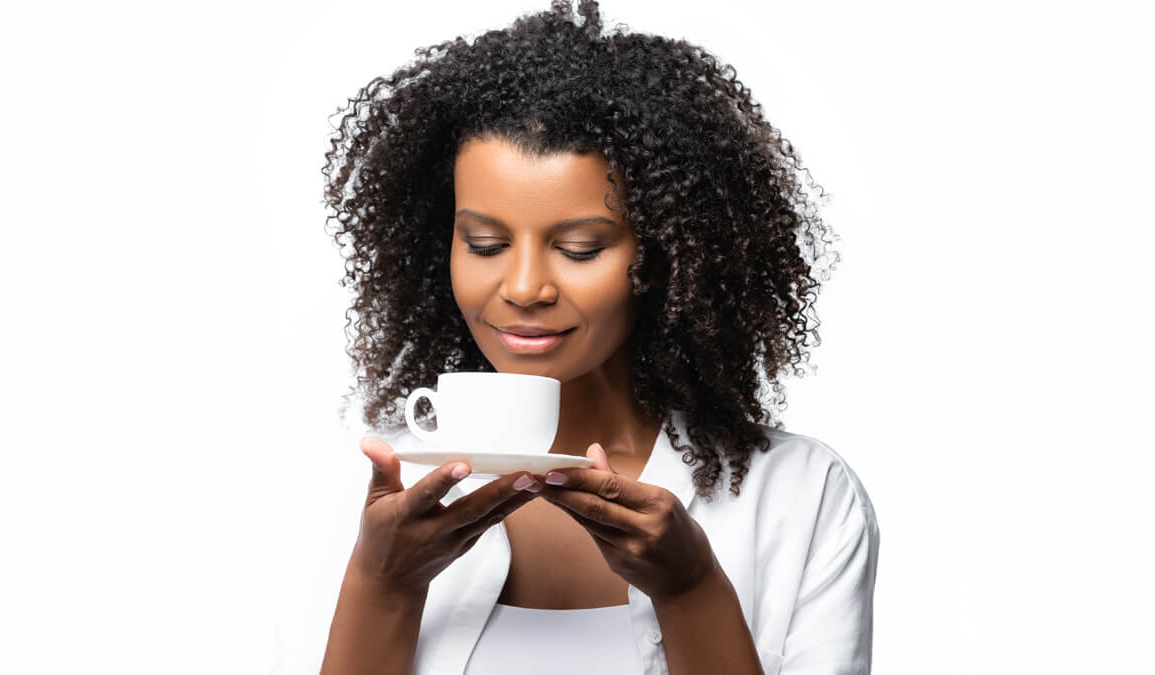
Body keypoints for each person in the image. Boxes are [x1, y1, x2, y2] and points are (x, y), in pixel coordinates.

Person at [276, 1, 879, 673]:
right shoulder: (374, 493)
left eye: (581, 248)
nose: (525, 285)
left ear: (663, 256)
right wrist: (382, 584)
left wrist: (691, 590)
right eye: (485, 242)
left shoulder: (801, 497)